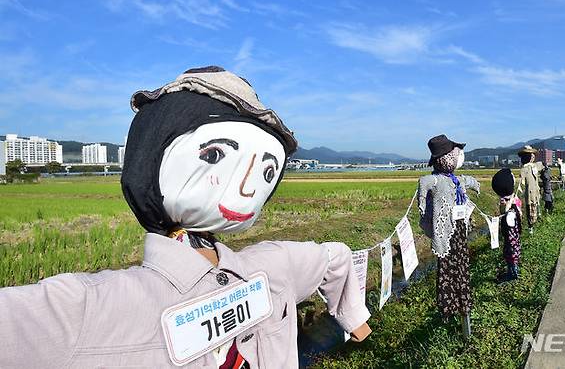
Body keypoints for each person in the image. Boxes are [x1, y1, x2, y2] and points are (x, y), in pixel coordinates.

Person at [0, 66, 370, 368]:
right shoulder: (91, 308)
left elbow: (332, 258)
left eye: (266, 173)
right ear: (150, 157)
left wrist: (352, 314)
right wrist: (354, 319)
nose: (245, 191)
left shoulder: (274, 266)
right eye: (214, 157)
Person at [417, 135, 480, 320]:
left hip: (459, 230)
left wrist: (476, 185)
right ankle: (450, 308)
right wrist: (422, 199)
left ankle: (462, 304)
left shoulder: (454, 179)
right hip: (446, 233)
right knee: (447, 268)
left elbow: (467, 180)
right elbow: (424, 182)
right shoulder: (437, 180)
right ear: (446, 158)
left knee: (461, 266)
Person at [491, 168, 522, 282]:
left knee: (511, 260)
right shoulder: (514, 202)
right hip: (514, 243)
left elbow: (510, 236)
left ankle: (513, 275)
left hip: (511, 246)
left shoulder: (510, 214)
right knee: (512, 259)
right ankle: (512, 272)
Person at [518, 145, 541, 233]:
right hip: (530, 193)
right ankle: (530, 228)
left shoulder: (534, 166)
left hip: (536, 192)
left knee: (535, 207)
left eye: (533, 154)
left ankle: (534, 225)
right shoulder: (524, 169)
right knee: (530, 209)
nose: (533, 156)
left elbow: (543, 165)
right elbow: (522, 182)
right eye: (531, 155)